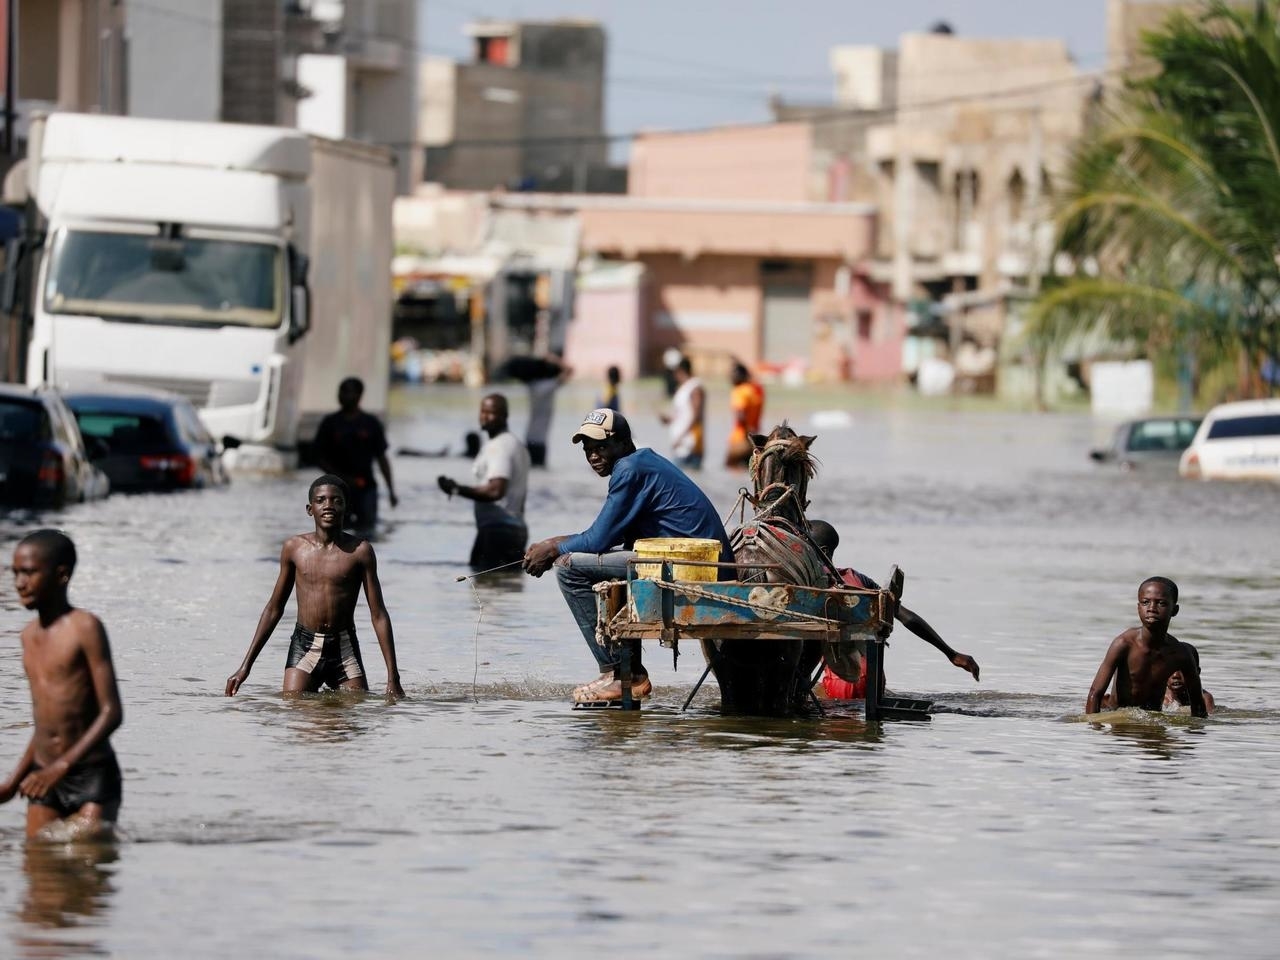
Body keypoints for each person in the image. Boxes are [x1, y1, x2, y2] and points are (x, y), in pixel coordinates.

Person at [522, 409, 732, 704]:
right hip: (692, 561)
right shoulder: (642, 463)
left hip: (690, 565)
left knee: (569, 568)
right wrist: (556, 542)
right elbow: (610, 536)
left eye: (601, 447)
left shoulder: (629, 470)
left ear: (622, 442)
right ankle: (627, 670)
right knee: (600, 562)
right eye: (588, 450)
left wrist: (554, 547)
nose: (594, 456)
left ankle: (619, 673)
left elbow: (597, 539)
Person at [225, 475, 404, 698]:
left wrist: (393, 677)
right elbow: (273, 609)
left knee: (354, 714)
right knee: (295, 708)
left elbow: (378, 615)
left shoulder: (360, 551)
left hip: (344, 648)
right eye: (321, 500)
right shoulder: (294, 548)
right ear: (310, 509)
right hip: (305, 646)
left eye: (336, 500)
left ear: (346, 508)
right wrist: (245, 667)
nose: (328, 505)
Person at [1, 530, 123, 840]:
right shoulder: (28, 637)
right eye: (15, 573)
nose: (19, 583)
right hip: (43, 775)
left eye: (29, 572)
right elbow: (45, 724)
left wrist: (62, 766)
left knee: (85, 866)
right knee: (40, 871)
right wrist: (14, 781)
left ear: (61, 575)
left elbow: (111, 712)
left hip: (89, 774)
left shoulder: (85, 628)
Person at [808, 521, 979, 699]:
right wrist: (951, 654)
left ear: (823, 551)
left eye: (804, 546)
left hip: (841, 680)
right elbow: (908, 618)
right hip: (874, 679)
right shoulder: (858, 578)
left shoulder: (809, 586)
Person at [1085, 577, 1206, 717]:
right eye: (1145, 602)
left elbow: (1198, 706)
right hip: (1118, 722)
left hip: (1154, 717)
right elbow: (1095, 693)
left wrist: (1196, 735)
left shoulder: (1180, 654)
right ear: (1138, 607)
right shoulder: (1123, 644)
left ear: (1175, 610)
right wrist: (1093, 729)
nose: (1152, 609)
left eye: (1161, 603)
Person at [437, 393, 531, 571]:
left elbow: (496, 491)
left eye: (491, 412)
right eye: (482, 411)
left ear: (504, 416)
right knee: (503, 590)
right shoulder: (515, 444)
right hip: (515, 530)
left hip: (498, 532)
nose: (485, 416)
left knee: (485, 590)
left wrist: (456, 489)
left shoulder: (499, 447)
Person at [314, 377, 398, 530]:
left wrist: (391, 490)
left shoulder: (371, 423)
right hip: (336, 490)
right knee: (336, 532)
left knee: (367, 532)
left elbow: (382, 458)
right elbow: (318, 457)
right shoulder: (330, 423)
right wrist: (339, 478)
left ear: (359, 395)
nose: (343, 396)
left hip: (366, 488)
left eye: (348, 392)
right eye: (342, 392)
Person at [660, 356, 705, 470]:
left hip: (691, 445)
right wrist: (669, 419)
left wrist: (681, 437)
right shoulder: (683, 388)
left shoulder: (695, 388)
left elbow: (696, 416)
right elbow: (682, 414)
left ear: (680, 371)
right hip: (680, 446)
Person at [726, 361, 765, 468]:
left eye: (731, 374)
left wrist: (746, 432)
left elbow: (740, 414)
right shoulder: (756, 390)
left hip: (740, 438)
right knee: (748, 470)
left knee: (732, 469)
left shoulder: (739, 391)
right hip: (754, 439)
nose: (729, 378)